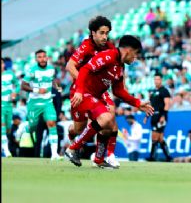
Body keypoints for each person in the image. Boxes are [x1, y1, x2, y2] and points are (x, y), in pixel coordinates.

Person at [65, 35, 154, 169]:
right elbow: (84, 69)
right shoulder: (108, 56)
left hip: (96, 95)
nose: (135, 59)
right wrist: (79, 90)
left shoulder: (120, 66)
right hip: (83, 92)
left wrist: (137, 103)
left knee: (109, 123)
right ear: (128, 51)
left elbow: (118, 91)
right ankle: (73, 148)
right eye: (135, 55)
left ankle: (99, 159)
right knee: (103, 119)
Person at [66, 16, 121, 167]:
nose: (105, 36)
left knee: (109, 118)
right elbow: (70, 66)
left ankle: (101, 158)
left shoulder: (109, 47)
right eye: (101, 33)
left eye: (107, 33)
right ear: (93, 33)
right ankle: (72, 138)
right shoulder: (86, 46)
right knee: (79, 128)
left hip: (100, 90)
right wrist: (83, 85)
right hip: (81, 90)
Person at [21, 50, 62, 160]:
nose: (42, 59)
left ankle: (54, 154)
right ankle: (27, 128)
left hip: (47, 102)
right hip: (34, 104)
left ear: (47, 58)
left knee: (52, 123)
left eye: (44, 57)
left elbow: (53, 80)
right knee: (32, 126)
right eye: (39, 57)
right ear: (36, 59)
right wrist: (36, 90)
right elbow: (23, 85)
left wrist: (56, 87)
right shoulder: (32, 70)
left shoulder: (51, 69)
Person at [145, 74, 173, 162]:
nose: (156, 81)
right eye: (155, 79)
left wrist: (163, 116)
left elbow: (167, 104)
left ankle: (152, 157)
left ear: (161, 80)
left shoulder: (164, 91)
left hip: (161, 117)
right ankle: (168, 157)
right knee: (160, 139)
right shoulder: (152, 92)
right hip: (153, 116)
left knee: (154, 137)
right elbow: (151, 105)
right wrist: (147, 116)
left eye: (158, 79)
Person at [1, 58, 19, 157]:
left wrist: (15, 92)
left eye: (1, 63)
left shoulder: (10, 74)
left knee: (8, 128)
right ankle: (6, 151)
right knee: (2, 127)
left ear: (4, 64)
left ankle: (4, 145)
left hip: (8, 105)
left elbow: (17, 85)